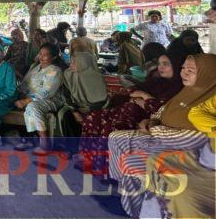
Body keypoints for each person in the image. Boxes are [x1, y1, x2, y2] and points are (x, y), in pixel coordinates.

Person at [107, 54, 216, 217]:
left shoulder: (208, 101)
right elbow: (161, 111)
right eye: (183, 68)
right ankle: (123, 192)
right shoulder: (186, 92)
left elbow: (191, 138)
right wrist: (150, 121)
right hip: (160, 136)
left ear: (206, 74)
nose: (184, 73)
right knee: (116, 138)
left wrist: (154, 129)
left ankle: (135, 208)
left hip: (177, 146)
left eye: (191, 70)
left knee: (130, 160)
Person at [77, 53, 184, 172]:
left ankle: (106, 169)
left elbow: (157, 108)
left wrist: (144, 96)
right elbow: (133, 91)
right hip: (125, 111)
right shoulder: (155, 80)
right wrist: (137, 97)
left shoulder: (178, 88)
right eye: (159, 64)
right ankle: (88, 161)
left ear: (176, 66)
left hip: (143, 118)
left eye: (166, 64)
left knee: (110, 129)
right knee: (93, 117)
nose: (161, 67)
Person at [141, 92, 216, 219]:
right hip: (206, 155)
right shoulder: (189, 92)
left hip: (209, 164)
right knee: (155, 161)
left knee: (186, 195)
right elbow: (196, 113)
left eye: (196, 70)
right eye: (185, 69)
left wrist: (153, 125)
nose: (187, 71)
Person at [14, 43, 66, 153]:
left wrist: (26, 100)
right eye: (40, 53)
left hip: (51, 100)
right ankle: (29, 139)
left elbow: (46, 93)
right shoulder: (35, 67)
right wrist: (17, 94)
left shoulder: (55, 71)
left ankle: (45, 144)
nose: (41, 57)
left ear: (54, 57)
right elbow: (24, 85)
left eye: (45, 55)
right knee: (14, 102)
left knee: (32, 107)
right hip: (31, 98)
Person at [61, 52, 107, 132]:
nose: (70, 65)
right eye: (71, 62)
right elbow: (66, 95)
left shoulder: (98, 77)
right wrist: (75, 111)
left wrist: (88, 108)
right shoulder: (68, 75)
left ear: (84, 63)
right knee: (67, 116)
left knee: (94, 118)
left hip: (95, 108)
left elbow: (102, 100)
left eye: (74, 63)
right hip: (76, 107)